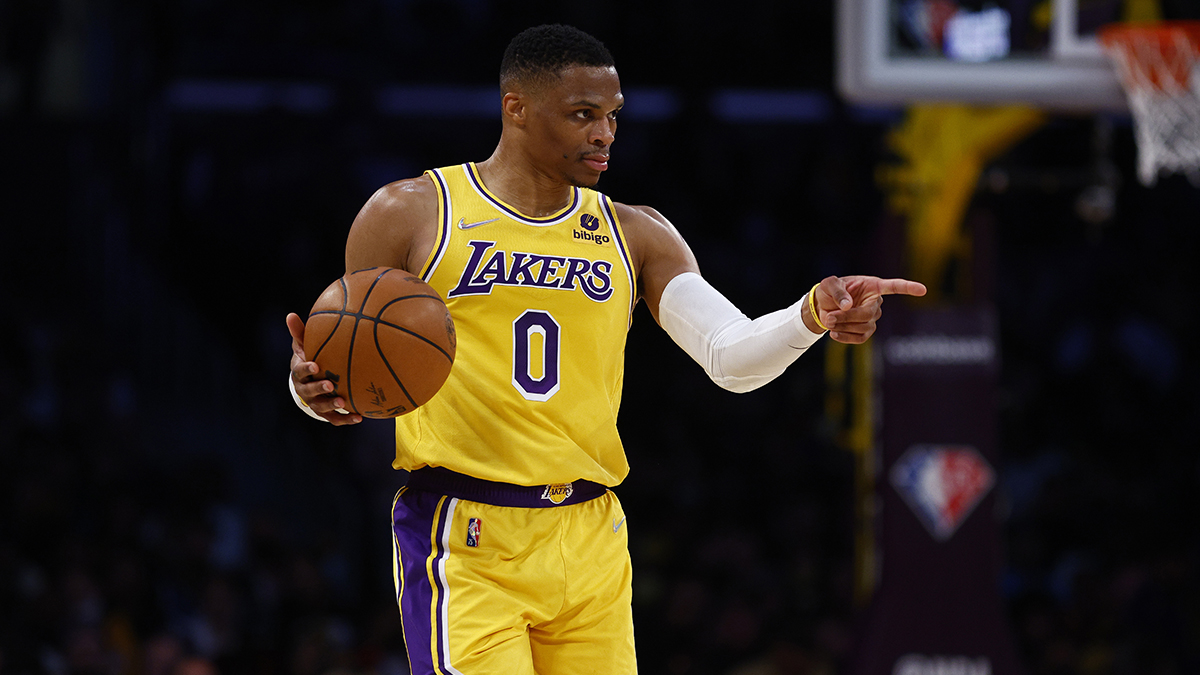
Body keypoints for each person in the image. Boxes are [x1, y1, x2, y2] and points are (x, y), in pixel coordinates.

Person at [286, 24, 926, 675]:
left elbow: (729, 357)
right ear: (516, 108)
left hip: (592, 533)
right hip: (466, 530)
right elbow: (347, 372)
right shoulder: (411, 213)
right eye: (582, 115)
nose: (605, 134)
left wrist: (810, 315)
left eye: (613, 115)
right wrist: (310, 391)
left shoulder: (635, 233)